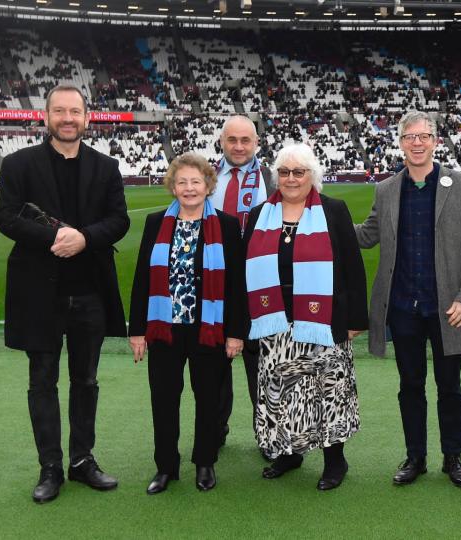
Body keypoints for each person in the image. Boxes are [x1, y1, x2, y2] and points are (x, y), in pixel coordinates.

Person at [0, 84, 129, 504]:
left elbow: (119, 220)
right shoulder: (18, 164)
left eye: (75, 111)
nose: (68, 118)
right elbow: (5, 217)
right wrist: (56, 236)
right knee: (42, 382)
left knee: (86, 380)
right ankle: (50, 466)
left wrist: (84, 239)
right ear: (46, 116)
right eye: (60, 111)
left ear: (87, 117)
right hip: (39, 294)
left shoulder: (106, 167)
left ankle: (82, 460)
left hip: (89, 293)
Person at [356, 111, 461, 489]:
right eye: (409, 137)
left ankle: (453, 457)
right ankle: (415, 457)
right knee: (410, 385)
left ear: (435, 140)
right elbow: (367, 235)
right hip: (403, 308)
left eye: (424, 136)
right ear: (400, 142)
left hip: (449, 309)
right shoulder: (386, 189)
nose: (417, 143)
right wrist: (320, 216)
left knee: (450, 387)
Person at [242, 143, 367, 491]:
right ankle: (289, 452)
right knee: (280, 391)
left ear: (313, 176)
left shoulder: (333, 211)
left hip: (323, 319)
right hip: (275, 322)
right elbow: (245, 273)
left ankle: (334, 460)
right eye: (284, 172)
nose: (291, 179)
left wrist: (355, 318)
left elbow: (353, 269)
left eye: (299, 172)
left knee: (328, 389)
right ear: (275, 177)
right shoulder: (258, 216)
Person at [128, 153, 247, 494]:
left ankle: (205, 462)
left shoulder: (224, 225)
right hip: (164, 325)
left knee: (208, 398)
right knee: (164, 399)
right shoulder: (156, 223)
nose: (189, 188)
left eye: (196, 182)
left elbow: (236, 283)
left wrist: (236, 333)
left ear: (208, 185)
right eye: (182, 182)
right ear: (173, 186)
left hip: (209, 326)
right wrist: (137, 329)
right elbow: (141, 279)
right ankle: (166, 467)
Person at [208, 115, 276, 454]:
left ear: (256, 143)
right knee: (215, 363)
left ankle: (266, 434)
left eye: (245, 140)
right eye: (232, 139)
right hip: (216, 281)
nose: (238, 146)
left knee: (261, 364)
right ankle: (215, 429)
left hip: (260, 282)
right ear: (222, 141)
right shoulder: (206, 176)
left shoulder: (273, 177)